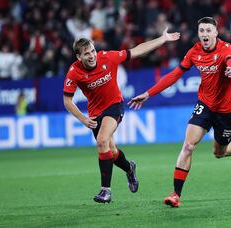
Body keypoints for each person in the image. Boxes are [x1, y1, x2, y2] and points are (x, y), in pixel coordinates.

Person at [128, 17, 231, 208]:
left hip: (228, 109)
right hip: (205, 105)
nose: (204, 34)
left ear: (216, 33)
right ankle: (175, 195)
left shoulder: (226, 48)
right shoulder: (194, 52)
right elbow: (174, 75)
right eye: (201, 30)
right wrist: (148, 94)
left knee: (219, 152)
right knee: (188, 146)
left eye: (208, 30)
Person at [63, 28, 180, 204]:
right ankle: (129, 168)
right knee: (111, 151)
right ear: (79, 57)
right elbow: (67, 101)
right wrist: (83, 119)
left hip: (114, 106)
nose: (92, 56)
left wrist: (162, 39)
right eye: (87, 54)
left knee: (102, 141)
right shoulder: (74, 72)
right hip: (95, 113)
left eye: (93, 51)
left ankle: (106, 190)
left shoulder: (108, 57)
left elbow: (138, 50)